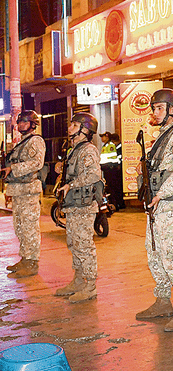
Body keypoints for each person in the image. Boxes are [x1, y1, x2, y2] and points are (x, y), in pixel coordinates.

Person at [135, 88, 173, 332]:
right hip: (156, 205)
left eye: (159, 108)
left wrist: (161, 193)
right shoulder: (163, 135)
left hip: (170, 204)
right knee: (154, 253)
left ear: (172, 109)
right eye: (154, 108)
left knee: (171, 255)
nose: (155, 112)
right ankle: (162, 301)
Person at [54, 112, 103, 303]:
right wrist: (62, 166)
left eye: (74, 125)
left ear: (85, 130)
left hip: (83, 206)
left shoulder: (88, 150)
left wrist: (70, 185)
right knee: (74, 244)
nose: (69, 129)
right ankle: (78, 280)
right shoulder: (74, 149)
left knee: (84, 246)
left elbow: (93, 175)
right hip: (73, 206)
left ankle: (90, 286)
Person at [4, 110, 46, 278]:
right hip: (19, 190)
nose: (21, 125)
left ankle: (32, 262)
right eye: (20, 122)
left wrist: (13, 169)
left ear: (33, 124)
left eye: (25, 122)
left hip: (29, 190)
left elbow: (37, 162)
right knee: (20, 227)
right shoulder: (21, 142)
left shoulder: (36, 141)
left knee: (29, 227)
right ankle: (25, 258)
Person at [99, 132, 120, 211]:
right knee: (109, 187)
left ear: (107, 137)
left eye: (103, 137)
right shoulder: (106, 145)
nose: (102, 139)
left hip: (110, 169)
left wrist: (108, 166)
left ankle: (114, 205)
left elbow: (112, 158)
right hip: (106, 169)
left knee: (112, 188)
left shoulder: (110, 145)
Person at [111, 133, 126, 210]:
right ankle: (120, 203)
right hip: (118, 169)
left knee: (118, 188)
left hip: (119, 170)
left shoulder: (119, 147)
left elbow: (119, 159)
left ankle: (120, 203)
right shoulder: (117, 147)